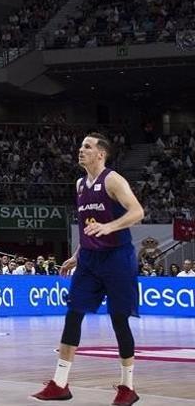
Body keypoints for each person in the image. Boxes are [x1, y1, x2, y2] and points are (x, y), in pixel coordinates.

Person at [33, 133, 144, 405]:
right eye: (81, 146)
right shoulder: (81, 184)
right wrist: (76, 254)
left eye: (87, 147)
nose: (80, 150)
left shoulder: (113, 180)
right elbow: (87, 226)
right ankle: (60, 383)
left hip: (117, 258)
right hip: (90, 260)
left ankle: (127, 387)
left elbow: (137, 212)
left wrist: (110, 227)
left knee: (119, 319)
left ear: (101, 154)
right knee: (73, 314)